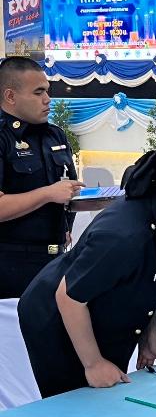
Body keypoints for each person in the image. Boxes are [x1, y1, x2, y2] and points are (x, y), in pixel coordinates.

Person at [18, 131, 156, 397]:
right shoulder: (125, 235)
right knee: (81, 400)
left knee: (110, 392)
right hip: (57, 317)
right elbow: (69, 297)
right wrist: (93, 363)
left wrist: (149, 336)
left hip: (105, 308)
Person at [0, 56, 83, 298]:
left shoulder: (55, 136)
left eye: (47, 91)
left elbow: (66, 191)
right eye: (38, 93)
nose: (47, 99)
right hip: (11, 267)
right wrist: (47, 194)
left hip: (56, 259)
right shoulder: (4, 139)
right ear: (10, 97)